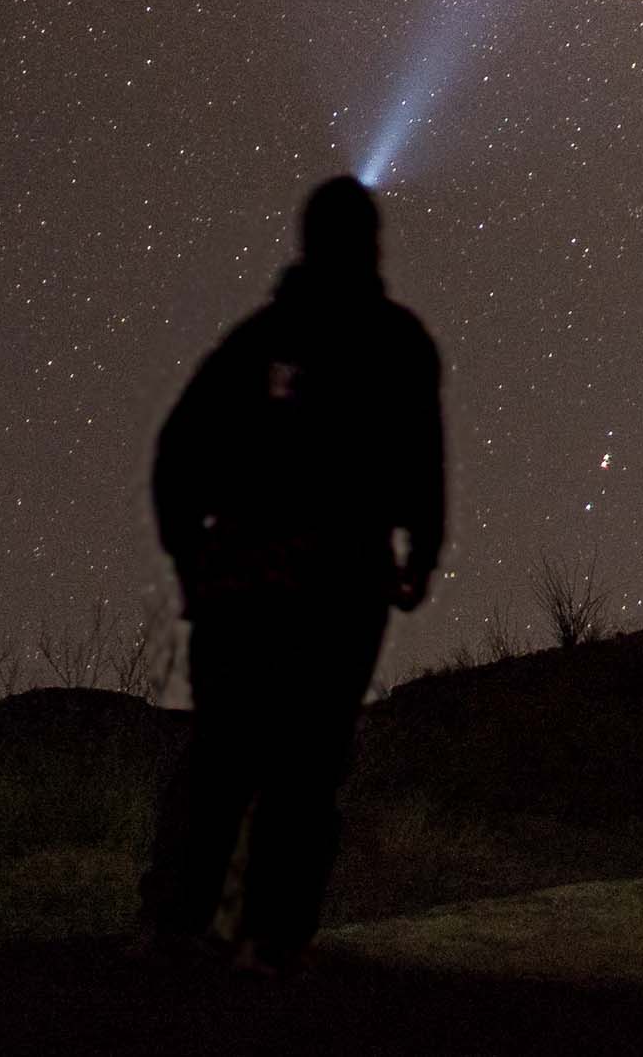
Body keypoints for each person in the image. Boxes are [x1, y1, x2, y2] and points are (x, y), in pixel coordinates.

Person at [138, 174, 446, 975]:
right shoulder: (398, 342)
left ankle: (184, 930)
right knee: (302, 766)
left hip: (247, 587)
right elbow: (422, 464)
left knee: (231, 756)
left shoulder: (257, 342)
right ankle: (268, 942)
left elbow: (177, 454)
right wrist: (420, 555)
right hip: (337, 590)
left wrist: (194, 559)